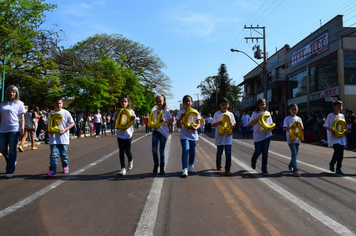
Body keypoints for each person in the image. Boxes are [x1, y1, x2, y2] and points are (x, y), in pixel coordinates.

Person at [0, 85, 25, 178]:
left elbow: (22, 118)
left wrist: (22, 129)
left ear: (16, 93)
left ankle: (10, 169)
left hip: (14, 129)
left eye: (13, 92)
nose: (11, 93)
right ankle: (11, 161)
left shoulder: (19, 104)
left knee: (12, 150)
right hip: (3, 129)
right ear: (7, 93)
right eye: (10, 92)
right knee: (2, 148)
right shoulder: (2, 104)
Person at [47, 97, 74, 177]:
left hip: (63, 138)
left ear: (62, 104)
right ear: (53, 104)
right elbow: (48, 124)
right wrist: (48, 131)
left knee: (63, 154)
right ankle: (52, 169)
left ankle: (65, 166)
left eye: (60, 103)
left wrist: (65, 130)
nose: (58, 105)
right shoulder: (51, 113)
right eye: (56, 103)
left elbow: (72, 123)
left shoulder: (66, 113)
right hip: (54, 138)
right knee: (53, 155)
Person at [176, 95, 201, 177]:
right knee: (186, 150)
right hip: (184, 134)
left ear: (192, 102)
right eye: (186, 101)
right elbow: (178, 126)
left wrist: (195, 128)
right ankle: (185, 169)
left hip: (193, 135)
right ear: (183, 103)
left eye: (189, 101)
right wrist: (180, 118)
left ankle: (191, 165)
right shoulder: (180, 112)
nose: (187, 102)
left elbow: (198, 124)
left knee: (192, 152)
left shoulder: (195, 112)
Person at [212, 98, 236, 176]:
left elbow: (234, 124)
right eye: (223, 104)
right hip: (220, 137)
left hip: (228, 137)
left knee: (228, 153)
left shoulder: (230, 114)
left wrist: (232, 125)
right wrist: (218, 123)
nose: (224, 106)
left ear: (228, 105)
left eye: (226, 104)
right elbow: (213, 125)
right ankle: (218, 164)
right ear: (220, 105)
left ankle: (227, 169)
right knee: (220, 152)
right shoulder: (216, 114)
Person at [249, 98, 273, 176]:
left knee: (265, 152)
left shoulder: (268, 113)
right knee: (258, 150)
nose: (262, 106)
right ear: (258, 105)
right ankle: (254, 159)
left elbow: (271, 123)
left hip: (266, 135)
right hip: (257, 135)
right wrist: (258, 118)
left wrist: (269, 127)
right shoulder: (255, 113)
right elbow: (250, 123)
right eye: (260, 104)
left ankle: (264, 169)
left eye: (263, 104)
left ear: (265, 105)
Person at [323, 100, 347, 175]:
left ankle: (338, 168)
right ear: (334, 107)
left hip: (341, 137)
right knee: (337, 151)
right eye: (338, 106)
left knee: (341, 154)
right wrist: (331, 130)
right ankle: (332, 163)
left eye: (341, 106)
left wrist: (345, 130)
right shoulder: (330, 115)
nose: (340, 108)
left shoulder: (342, 116)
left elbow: (344, 125)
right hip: (334, 137)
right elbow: (325, 125)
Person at [114, 94, 136, 176]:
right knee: (121, 151)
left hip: (128, 134)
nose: (123, 103)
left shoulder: (131, 112)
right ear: (120, 103)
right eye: (122, 101)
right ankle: (122, 168)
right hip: (120, 134)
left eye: (125, 101)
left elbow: (134, 124)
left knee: (128, 151)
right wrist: (116, 117)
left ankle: (130, 160)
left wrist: (133, 119)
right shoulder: (117, 112)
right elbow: (114, 124)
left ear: (128, 103)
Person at [151, 95, 172, 175]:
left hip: (163, 132)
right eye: (157, 102)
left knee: (161, 151)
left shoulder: (166, 111)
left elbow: (171, 121)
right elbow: (151, 121)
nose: (159, 103)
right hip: (155, 131)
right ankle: (156, 165)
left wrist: (165, 121)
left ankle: (162, 168)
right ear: (156, 102)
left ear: (163, 102)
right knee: (154, 150)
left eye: (160, 101)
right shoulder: (154, 112)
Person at [283, 104, 304, 177]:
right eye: (293, 109)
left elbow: (302, 128)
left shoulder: (299, 119)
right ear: (289, 110)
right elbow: (284, 128)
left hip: (297, 139)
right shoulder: (287, 119)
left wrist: (301, 128)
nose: (294, 111)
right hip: (291, 139)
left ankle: (290, 165)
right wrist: (290, 127)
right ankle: (295, 169)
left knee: (296, 154)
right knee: (294, 153)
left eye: (295, 109)